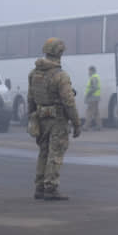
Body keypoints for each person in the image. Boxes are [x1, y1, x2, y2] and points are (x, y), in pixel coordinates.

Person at [28, 38, 81, 201]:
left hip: (40, 118)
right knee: (55, 153)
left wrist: (32, 117)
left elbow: (30, 98)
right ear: (59, 53)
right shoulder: (61, 76)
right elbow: (69, 102)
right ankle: (50, 188)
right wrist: (77, 123)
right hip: (57, 120)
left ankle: (39, 187)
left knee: (43, 152)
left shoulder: (34, 74)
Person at [84, 65, 102, 131]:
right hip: (95, 98)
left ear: (92, 71)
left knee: (89, 112)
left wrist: (88, 94)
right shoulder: (95, 77)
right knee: (96, 113)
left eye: (89, 71)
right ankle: (99, 126)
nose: (88, 72)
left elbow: (95, 87)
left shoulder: (93, 77)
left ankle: (86, 126)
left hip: (92, 98)